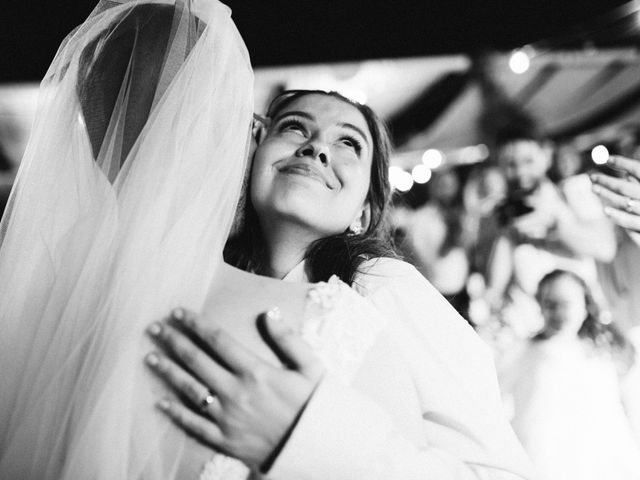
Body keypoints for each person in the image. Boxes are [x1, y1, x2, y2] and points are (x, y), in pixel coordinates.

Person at [0, 1, 531, 479]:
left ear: (364, 213)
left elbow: (498, 471)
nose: (318, 147)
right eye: (295, 128)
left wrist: (308, 437)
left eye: (349, 142)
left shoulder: (382, 289)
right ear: (253, 154)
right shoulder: (191, 278)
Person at [501, 270, 640, 480]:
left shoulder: (604, 354)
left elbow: (625, 412)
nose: (558, 313)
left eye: (566, 304)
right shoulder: (521, 353)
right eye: (550, 303)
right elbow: (495, 404)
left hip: (597, 467)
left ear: (585, 305)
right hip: (539, 466)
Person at [485, 132, 616, 337]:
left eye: (528, 160)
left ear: (546, 155)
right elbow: (494, 286)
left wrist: (556, 225)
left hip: (581, 326)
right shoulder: (506, 214)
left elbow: (606, 248)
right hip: (533, 329)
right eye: (510, 164)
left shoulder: (572, 192)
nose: (520, 172)